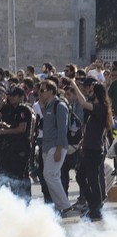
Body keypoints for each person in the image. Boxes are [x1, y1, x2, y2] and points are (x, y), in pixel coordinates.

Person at [72, 79, 113, 221]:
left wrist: (73, 84)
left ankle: (96, 209)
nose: (89, 92)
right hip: (90, 149)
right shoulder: (96, 108)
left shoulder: (100, 107)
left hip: (94, 151)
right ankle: (93, 205)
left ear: (96, 93)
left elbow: (82, 102)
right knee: (81, 176)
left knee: (93, 180)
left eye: (91, 91)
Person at [38, 80, 79, 218]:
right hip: (47, 147)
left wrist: (58, 149)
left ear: (51, 91)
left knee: (50, 175)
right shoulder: (48, 106)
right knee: (51, 176)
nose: (40, 92)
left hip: (56, 146)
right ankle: (61, 207)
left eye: (42, 90)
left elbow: (62, 130)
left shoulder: (60, 106)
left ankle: (66, 207)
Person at [0, 86, 34, 198]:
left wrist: (5, 131)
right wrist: (0, 105)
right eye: (9, 95)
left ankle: (24, 200)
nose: (10, 98)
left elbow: (21, 128)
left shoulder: (23, 110)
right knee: (10, 176)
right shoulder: (7, 108)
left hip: (20, 148)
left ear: (21, 97)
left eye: (13, 95)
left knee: (20, 176)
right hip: (8, 149)